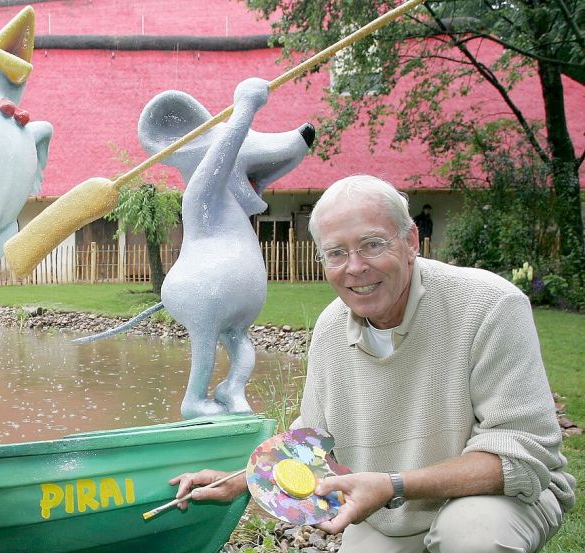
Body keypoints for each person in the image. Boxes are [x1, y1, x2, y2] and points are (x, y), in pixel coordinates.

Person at [170, 175, 574, 553]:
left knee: (469, 535)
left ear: (411, 239)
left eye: (373, 244)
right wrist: (238, 480)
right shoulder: (331, 327)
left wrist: (392, 484)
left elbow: (521, 456)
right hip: (389, 507)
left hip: (498, 498)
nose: (356, 267)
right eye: (336, 253)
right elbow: (314, 443)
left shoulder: (490, 305)